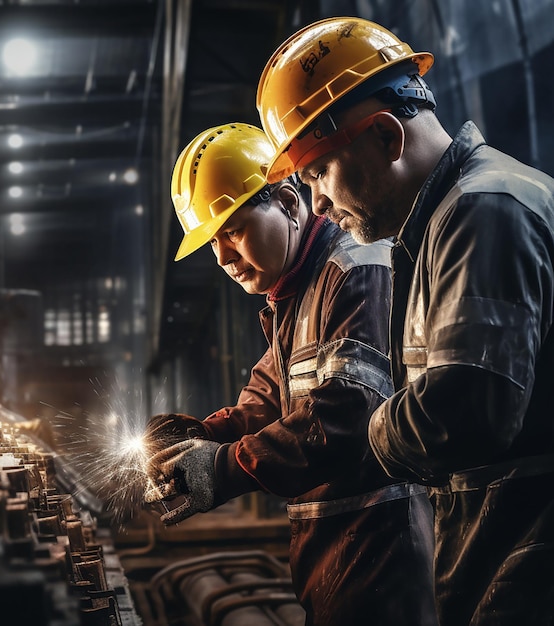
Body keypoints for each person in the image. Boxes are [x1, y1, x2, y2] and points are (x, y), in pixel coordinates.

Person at [255, 15, 554, 626]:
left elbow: (465, 414)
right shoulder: (432, 231)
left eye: (317, 172)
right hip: (499, 562)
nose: (316, 203)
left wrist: (374, 427)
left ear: (387, 137)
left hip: (528, 568)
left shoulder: (484, 210)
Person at [143, 122, 438, 625]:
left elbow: (346, 416)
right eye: (213, 241)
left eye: (233, 230)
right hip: (337, 555)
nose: (222, 257)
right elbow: (265, 403)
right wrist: (198, 435)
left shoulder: (355, 272)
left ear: (285, 199)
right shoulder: (292, 299)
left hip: (385, 553)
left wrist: (220, 468)